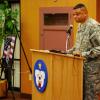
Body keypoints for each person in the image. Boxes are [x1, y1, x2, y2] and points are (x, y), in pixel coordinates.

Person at [67, 3, 100, 100]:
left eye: (77, 14)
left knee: (90, 96)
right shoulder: (80, 26)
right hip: (80, 67)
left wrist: (83, 54)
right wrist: (67, 52)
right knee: (80, 94)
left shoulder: (94, 26)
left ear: (85, 13)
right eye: (73, 14)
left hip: (91, 70)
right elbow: (78, 47)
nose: (75, 17)